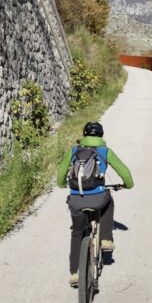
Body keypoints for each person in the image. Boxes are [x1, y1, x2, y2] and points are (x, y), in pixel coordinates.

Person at [56, 121, 134, 286]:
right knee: (108, 202)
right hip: (98, 197)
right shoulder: (105, 151)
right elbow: (125, 172)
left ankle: (74, 273)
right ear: (101, 135)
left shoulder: (74, 151)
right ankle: (105, 239)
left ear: (84, 135)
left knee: (77, 232)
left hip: (76, 199)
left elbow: (61, 173)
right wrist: (127, 185)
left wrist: (62, 185)